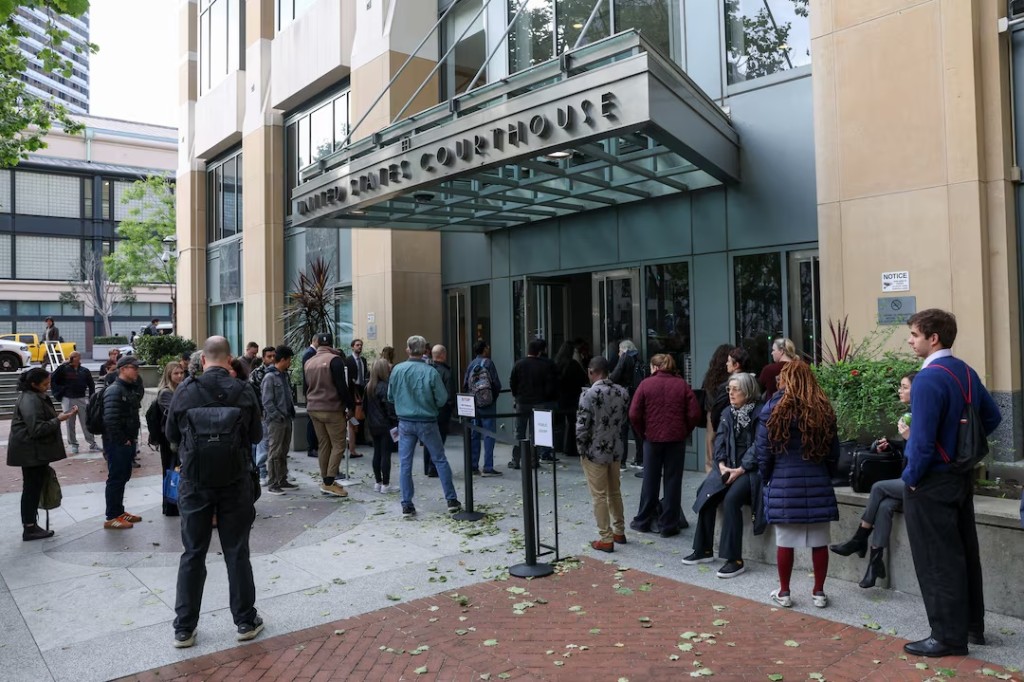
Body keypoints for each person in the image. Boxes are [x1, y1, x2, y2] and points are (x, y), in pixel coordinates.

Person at [900, 309, 1000, 658]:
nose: (910, 340)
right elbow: (993, 416)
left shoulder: (927, 379)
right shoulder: (964, 371)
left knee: (936, 559)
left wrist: (910, 479)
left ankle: (946, 636)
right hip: (959, 476)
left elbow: (923, 442)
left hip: (930, 480)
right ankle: (972, 627)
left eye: (914, 334)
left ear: (933, 338)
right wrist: (962, 449)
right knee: (964, 553)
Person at [165, 336, 264, 649]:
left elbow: (169, 434)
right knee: (237, 551)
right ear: (230, 358)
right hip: (235, 481)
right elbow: (257, 435)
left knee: (193, 552)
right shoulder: (244, 390)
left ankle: (184, 629)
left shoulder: (185, 390)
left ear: (203, 359)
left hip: (195, 483)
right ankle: (245, 621)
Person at [756, 361, 839, 609]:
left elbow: (764, 452)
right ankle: (819, 593)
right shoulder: (823, 409)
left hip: (784, 483)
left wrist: (768, 477)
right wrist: (827, 475)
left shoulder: (772, 409)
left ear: (786, 380)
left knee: (785, 542)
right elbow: (834, 452)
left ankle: (784, 592)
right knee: (819, 541)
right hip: (818, 480)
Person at [830, 371, 917, 588]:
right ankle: (875, 564)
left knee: (878, 488)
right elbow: (908, 449)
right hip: (907, 479)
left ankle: (859, 538)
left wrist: (909, 437)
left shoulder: (924, 415)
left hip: (919, 483)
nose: (900, 390)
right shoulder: (912, 413)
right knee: (885, 507)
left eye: (905, 387)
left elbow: (926, 451)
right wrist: (890, 443)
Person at [685, 372, 764, 578]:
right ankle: (703, 550)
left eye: (736, 389)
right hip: (727, 466)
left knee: (731, 499)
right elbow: (719, 441)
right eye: (730, 389)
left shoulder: (761, 413)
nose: (731, 393)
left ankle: (734, 560)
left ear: (748, 391)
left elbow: (759, 446)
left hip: (750, 471)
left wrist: (741, 469)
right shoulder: (727, 413)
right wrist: (720, 465)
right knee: (707, 491)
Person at [628, 354, 702, 537]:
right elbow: (694, 413)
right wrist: (685, 431)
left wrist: (642, 432)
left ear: (655, 367)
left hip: (652, 439)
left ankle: (643, 520)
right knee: (672, 482)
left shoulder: (646, 384)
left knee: (650, 481)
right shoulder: (681, 385)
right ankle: (668, 525)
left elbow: (634, 414)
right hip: (676, 440)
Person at [388, 335, 461, 517]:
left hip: (405, 421)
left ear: (408, 350)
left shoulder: (398, 370)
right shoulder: (431, 371)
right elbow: (443, 398)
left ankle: (406, 503)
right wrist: (431, 406)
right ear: (425, 351)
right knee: (440, 459)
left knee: (405, 463)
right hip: (427, 420)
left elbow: (390, 396)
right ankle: (451, 499)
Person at [8, 368, 77, 540]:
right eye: (45, 384)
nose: (48, 386)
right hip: (31, 453)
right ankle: (30, 527)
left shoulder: (33, 396)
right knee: (31, 489)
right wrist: (58, 419)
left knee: (33, 487)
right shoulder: (30, 400)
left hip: (33, 451)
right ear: (34, 384)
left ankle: (31, 525)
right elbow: (37, 428)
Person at [576, 356, 631, 553]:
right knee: (614, 491)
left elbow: (582, 427)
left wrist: (581, 449)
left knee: (598, 495)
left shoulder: (589, 395)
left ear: (592, 371)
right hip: (615, 449)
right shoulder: (622, 392)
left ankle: (605, 537)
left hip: (595, 451)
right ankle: (619, 530)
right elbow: (623, 420)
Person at [304, 333, 354, 497]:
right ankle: (329, 482)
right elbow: (342, 386)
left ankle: (326, 479)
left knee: (323, 444)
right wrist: (350, 406)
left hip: (313, 408)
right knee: (339, 445)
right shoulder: (335, 360)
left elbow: (305, 387)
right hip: (332, 408)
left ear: (316, 343)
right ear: (332, 343)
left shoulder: (309, 362)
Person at [102, 356, 145, 529]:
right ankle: (112, 516)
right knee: (116, 478)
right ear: (123, 369)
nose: (137, 371)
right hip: (117, 442)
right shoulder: (115, 390)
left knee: (123, 476)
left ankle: (119, 512)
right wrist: (123, 440)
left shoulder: (128, 388)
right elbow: (110, 420)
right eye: (134, 368)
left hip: (126, 440)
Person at [509, 338, 558, 468]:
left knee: (519, 432)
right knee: (536, 433)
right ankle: (533, 460)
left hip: (522, 402)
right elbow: (549, 385)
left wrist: (517, 395)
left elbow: (512, 382)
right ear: (539, 352)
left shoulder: (519, 364)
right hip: (539, 402)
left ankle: (516, 460)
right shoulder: (544, 365)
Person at [463, 339, 503, 476]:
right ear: (484, 349)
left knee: (474, 434)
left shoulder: (471, 364)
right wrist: (491, 398)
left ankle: (474, 465)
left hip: (474, 404)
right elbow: (497, 384)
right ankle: (488, 466)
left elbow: (465, 384)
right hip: (488, 404)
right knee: (489, 434)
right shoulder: (489, 363)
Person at [262, 345, 296, 495]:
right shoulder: (270, 377)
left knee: (283, 451)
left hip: (286, 418)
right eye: (289, 360)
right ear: (283, 360)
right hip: (277, 421)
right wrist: (277, 416)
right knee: (274, 452)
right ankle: (273, 483)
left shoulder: (283, 375)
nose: (290, 363)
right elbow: (267, 402)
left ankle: (282, 479)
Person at [50, 350, 99, 455]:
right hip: (68, 398)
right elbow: (53, 379)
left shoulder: (84, 371)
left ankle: (92, 443)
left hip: (81, 398)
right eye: (73, 356)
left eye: (76, 356)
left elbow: (91, 384)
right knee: (70, 422)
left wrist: (91, 397)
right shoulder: (63, 369)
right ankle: (73, 444)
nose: (75, 358)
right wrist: (60, 391)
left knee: (86, 421)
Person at [610, 339, 645, 472]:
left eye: (619, 350)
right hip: (636, 396)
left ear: (624, 350)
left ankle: (622, 461)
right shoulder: (638, 359)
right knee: (636, 428)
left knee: (622, 428)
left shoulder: (625, 358)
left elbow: (614, 376)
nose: (618, 353)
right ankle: (640, 459)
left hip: (625, 396)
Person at [364, 358, 398, 493]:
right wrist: (395, 421)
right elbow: (389, 408)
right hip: (385, 424)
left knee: (377, 453)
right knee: (386, 454)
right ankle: (386, 484)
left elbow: (365, 407)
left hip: (373, 425)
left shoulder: (368, 387)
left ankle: (378, 482)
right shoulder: (385, 387)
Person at [156, 361, 186, 516]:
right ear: (169, 375)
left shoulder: (181, 389)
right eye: (176, 373)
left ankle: (178, 503)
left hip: (179, 437)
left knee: (179, 470)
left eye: (181, 373)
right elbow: (178, 413)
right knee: (171, 471)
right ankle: (170, 505)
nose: (180, 376)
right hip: (169, 439)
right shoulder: (166, 393)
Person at [422, 344, 455, 476]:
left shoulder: (427, 370)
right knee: (439, 440)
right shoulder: (445, 372)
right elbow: (449, 395)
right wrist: (450, 409)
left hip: (427, 411)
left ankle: (427, 467)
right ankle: (433, 468)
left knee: (428, 440)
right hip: (441, 412)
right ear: (443, 355)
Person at [701, 344, 733, 473]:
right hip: (727, 411)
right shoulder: (731, 379)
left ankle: (711, 473)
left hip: (711, 412)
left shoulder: (710, 376)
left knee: (711, 443)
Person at [554, 340, 588, 460]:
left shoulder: (557, 363)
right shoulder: (573, 364)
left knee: (560, 423)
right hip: (572, 396)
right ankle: (570, 448)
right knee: (572, 422)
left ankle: (557, 446)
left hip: (559, 397)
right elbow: (583, 378)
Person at [249, 346, 276, 484]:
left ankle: (278, 472)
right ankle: (262, 472)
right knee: (263, 444)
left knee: (277, 444)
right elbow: (253, 395)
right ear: (263, 358)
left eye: (273, 356)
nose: (272, 359)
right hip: (263, 414)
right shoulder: (257, 374)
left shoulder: (280, 372)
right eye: (269, 356)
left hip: (277, 414)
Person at [345, 338, 369, 459]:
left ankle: (356, 442)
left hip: (362, 391)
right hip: (352, 392)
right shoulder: (348, 361)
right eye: (357, 345)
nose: (359, 347)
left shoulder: (363, 360)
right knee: (352, 418)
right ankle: (351, 447)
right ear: (352, 347)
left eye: (361, 345)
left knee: (358, 417)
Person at [301, 335, 320, 458]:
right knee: (311, 420)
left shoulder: (313, 352)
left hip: (311, 390)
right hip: (311, 390)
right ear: (315, 341)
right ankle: (311, 447)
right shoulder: (310, 353)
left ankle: (314, 446)